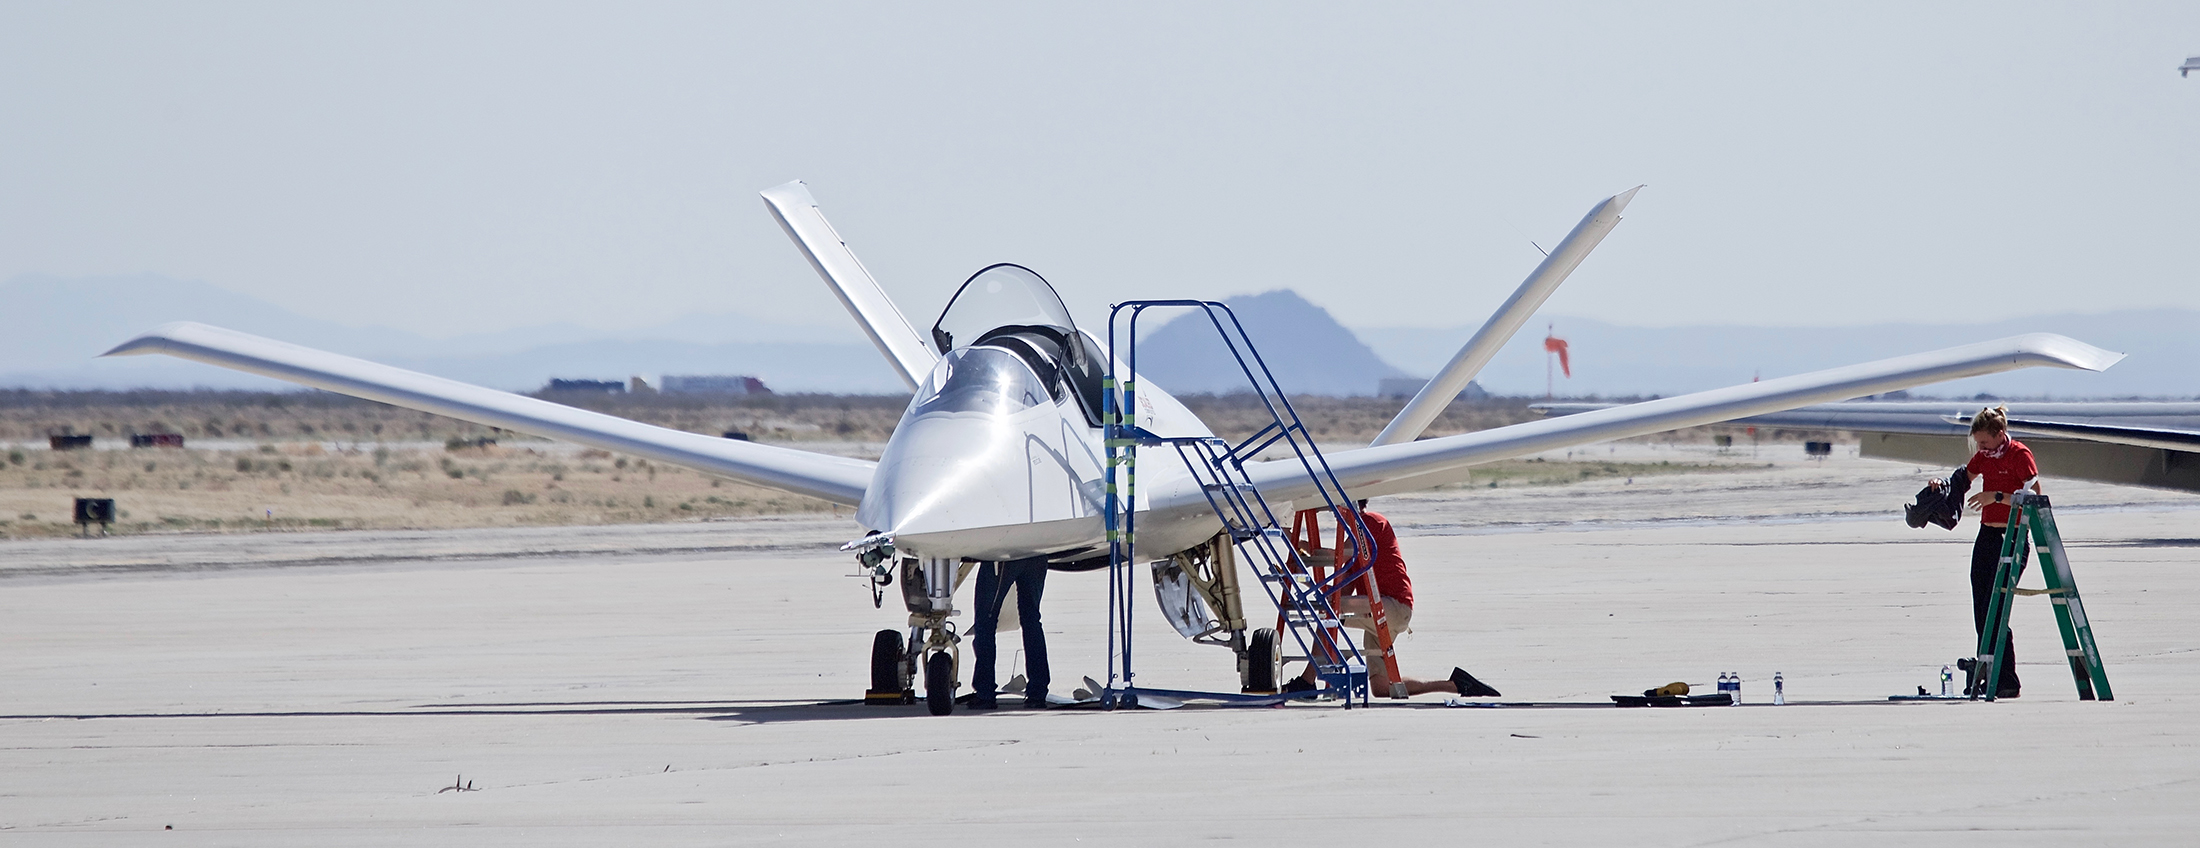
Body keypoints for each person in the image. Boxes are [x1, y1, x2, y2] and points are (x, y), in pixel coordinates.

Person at [1285, 502, 1500, 699]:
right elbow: (1339, 591)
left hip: (1392, 605)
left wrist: (1294, 542)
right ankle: (1455, 684)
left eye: (1337, 508)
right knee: (1381, 688)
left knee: (1330, 611)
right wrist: (1306, 578)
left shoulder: (1369, 522)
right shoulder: (1355, 541)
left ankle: (1307, 681)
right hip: (1379, 608)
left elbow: (1338, 557)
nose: (1334, 514)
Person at [1940, 405, 2037, 699]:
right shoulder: (1984, 456)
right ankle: (1990, 673)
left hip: (2013, 536)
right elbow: (1963, 479)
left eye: (1984, 441)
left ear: (2000, 434)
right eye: (1977, 443)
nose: (1980, 448)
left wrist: (1995, 497)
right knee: (1982, 609)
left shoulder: (2020, 455)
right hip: (1988, 536)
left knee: (1997, 608)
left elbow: (2035, 497)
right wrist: (1940, 486)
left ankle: (2007, 680)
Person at [968, 556, 1050, 709]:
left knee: (986, 621)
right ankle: (1037, 692)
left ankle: (985, 692)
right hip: (1037, 553)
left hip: (1003, 555)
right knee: (1031, 620)